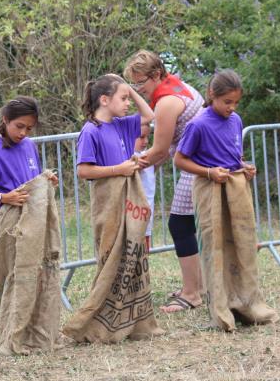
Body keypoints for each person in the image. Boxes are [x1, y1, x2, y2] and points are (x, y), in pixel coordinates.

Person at [62, 74, 163, 344]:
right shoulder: (90, 130)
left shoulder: (121, 125)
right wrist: (118, 170)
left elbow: (149, 115)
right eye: (123, 98)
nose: (128, 102)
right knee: (110, 261)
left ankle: (133, 322)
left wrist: (127, 86)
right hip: (107, 204)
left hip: (128, 203)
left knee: (132, 258)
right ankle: (102, 322)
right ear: (104, 100)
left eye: (128, 97)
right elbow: (84, 170)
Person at [174, 69, 277, 327]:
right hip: (210, 191)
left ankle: (247, 303)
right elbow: (179, 159)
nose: (232, 108)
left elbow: (233, 155)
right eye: (226, 102)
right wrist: (208, 172)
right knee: (215, 246)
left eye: (236, 102)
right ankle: (220, 307)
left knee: (242, 244)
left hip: (236, 190)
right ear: (211, 95)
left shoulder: (236, 121)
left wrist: (244, 166)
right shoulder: (197, 125)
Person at [0, 96, 61, 356]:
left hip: (34, 220)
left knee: (37, 271)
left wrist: (46, 178)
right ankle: (13, 335)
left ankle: (38, 331)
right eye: (19, 126)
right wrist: (3, 197)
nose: (23, 133)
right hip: (8, 220)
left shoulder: (30, 146)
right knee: (12, 273)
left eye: (29, 128)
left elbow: (32, 177)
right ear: (5, 120)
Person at [123, 50, 205, 313]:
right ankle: (200, 286)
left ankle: (192, 294)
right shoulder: (181, 86)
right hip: (204, 159)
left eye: (141, 83)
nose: (139, 89)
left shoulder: (166, 103)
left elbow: (160, 151)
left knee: (179, 224)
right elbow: (168, 146)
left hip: (197, 164)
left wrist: (132, 166)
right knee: (192, 225)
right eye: (134, 84)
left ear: (156, 75)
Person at [134, 121, 155, 251]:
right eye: (141, 137)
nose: (146, 141)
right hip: (135, 214)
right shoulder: (134, 157)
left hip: (146, 213)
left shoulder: (146, 155)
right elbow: (161, 152)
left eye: (148, 137)